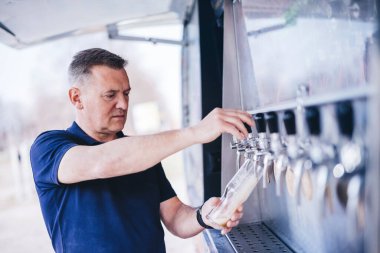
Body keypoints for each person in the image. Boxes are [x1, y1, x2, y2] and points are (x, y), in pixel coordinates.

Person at [30, 48, 254, 253]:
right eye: (110, 95)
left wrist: (204, 215)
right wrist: (196, 132)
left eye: (126, 93)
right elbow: (103, 162)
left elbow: (175, 217)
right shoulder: (49, 147)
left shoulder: (142, 155)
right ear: (77, 98)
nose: (123, 104)